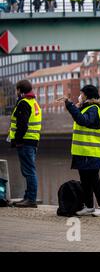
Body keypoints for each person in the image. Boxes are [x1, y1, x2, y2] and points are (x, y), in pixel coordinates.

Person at [56, 85, 100, 217]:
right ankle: (89, 206)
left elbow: (83, 121)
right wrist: (73, 106)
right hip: (83, 152)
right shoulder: (85, 108)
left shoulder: (93, 109)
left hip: (92, 152)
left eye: (81, 94)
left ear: (87, 95)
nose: (80, 96)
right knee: (85, 180)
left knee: (94, 180)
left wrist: (69, 105)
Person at [8, 80, 42, 208]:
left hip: (25, 142)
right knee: (29, 170)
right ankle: (28, 197)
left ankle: (31, 199)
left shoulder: (23, 103)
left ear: (20, 90)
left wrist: (17, 140)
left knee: (29, 171)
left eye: (17, 90)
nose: (16, 92)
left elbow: (22, 125)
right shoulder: (34, 102)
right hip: (32, 140)